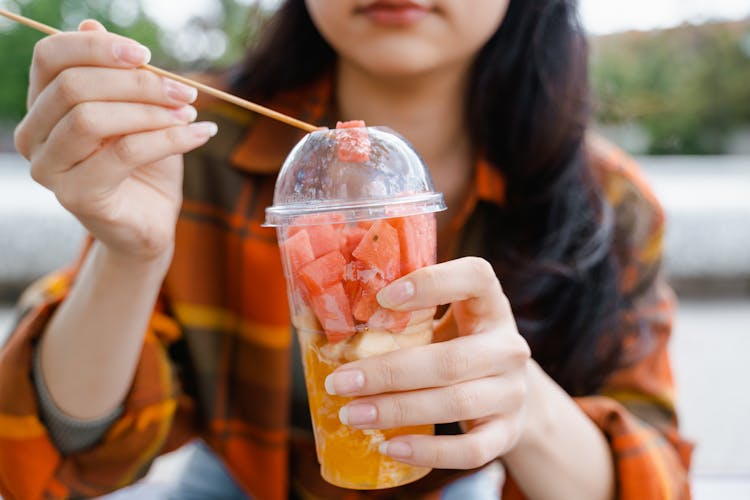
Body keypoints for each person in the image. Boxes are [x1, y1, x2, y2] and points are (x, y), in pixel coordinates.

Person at [1, 0, 692, 498]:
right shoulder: (192, 143)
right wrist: (131, 255)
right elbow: (59, 455)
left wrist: (527, 410)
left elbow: (658, 477)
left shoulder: (605, 203)